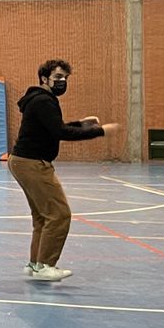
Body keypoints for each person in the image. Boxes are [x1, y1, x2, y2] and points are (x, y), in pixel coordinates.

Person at [9, 59, 114, 282]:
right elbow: (60, 132)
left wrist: (81, 124)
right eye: (57, 77)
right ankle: (46, 265)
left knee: (42, 217)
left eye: (65, 78)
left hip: (22, 161)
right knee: (59, 215)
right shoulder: (43, 101)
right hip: (32, 163)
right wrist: (98, 132)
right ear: (44, 79)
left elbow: (54, 126)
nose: (62, 81)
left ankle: (35, 264)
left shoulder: (40, 99)